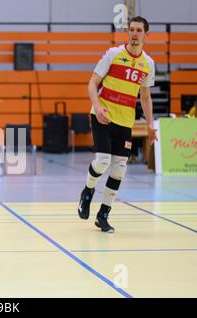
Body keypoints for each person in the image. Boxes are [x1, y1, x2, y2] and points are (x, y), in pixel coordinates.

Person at [77, 16, 158, 233]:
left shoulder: (148, 64)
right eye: (131, 29)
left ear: (146, 35)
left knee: (119, 169)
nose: (134, 33)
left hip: (125, 121)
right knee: (103, 161)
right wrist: (98, 106)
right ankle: (87, 192)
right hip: (102, 115)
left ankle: (103, 214)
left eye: (139, 30)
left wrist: (150, 125)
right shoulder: (113, 54)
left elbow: (146, 97)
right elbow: (92, 84)